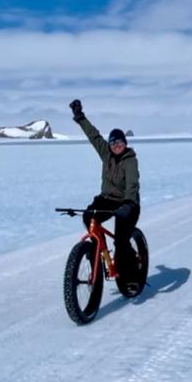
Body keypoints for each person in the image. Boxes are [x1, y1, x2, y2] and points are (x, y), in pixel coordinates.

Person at [69, 99, 140, 281]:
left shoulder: (130, 160)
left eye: (120, 143)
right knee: (88, 216)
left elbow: (132, 183)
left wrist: (129, 203)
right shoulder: (106, 154)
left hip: (127, 203)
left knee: (121, 241)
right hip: (107, 199)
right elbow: (94, 136)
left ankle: (131, 273)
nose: (116, 145)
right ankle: (96, 250)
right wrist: (80, 117)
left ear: (125, 143)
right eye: (113, 143)